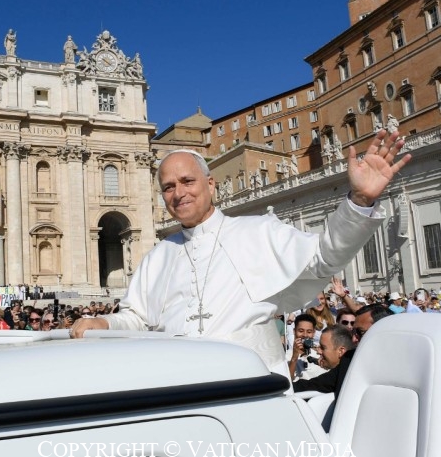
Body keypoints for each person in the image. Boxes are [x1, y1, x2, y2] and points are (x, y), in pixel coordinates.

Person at [70, 129, 411, 374]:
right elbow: (136, 320)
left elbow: (325, 256)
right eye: (168, 187)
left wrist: (361, 200)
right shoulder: (158, 256)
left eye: (187, 182)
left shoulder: (257, 231)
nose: (178, 193)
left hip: (252, 387)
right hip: (176, 385)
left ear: (210, 184)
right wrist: (104, 321)